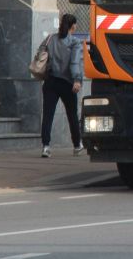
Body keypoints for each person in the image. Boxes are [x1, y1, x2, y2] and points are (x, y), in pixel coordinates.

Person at [41, 13, 85, 158]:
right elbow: (74, 63)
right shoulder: (75, 42)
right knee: (72, 115)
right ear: (73, 26)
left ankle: (46, 147)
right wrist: (77, 80)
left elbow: (40, 54)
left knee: (48, 115)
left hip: (51, 81)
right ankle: (77, 145)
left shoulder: (50, 39)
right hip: (67, 83)